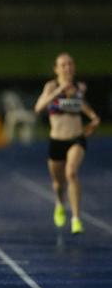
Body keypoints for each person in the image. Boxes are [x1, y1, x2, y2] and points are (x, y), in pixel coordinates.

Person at [33, 53, 99, 234]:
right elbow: (38, 108)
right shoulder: (51, 86)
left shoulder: (80, 87)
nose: (67, 68)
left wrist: (93, 118)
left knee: (71, 173)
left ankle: (76, 218)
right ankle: (60, 203)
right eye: (63, 65)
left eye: (70, 64)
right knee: (58, 183)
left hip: (76, 138)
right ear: (56, 69)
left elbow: (80, 104)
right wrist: (58, 91)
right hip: (56, 141)